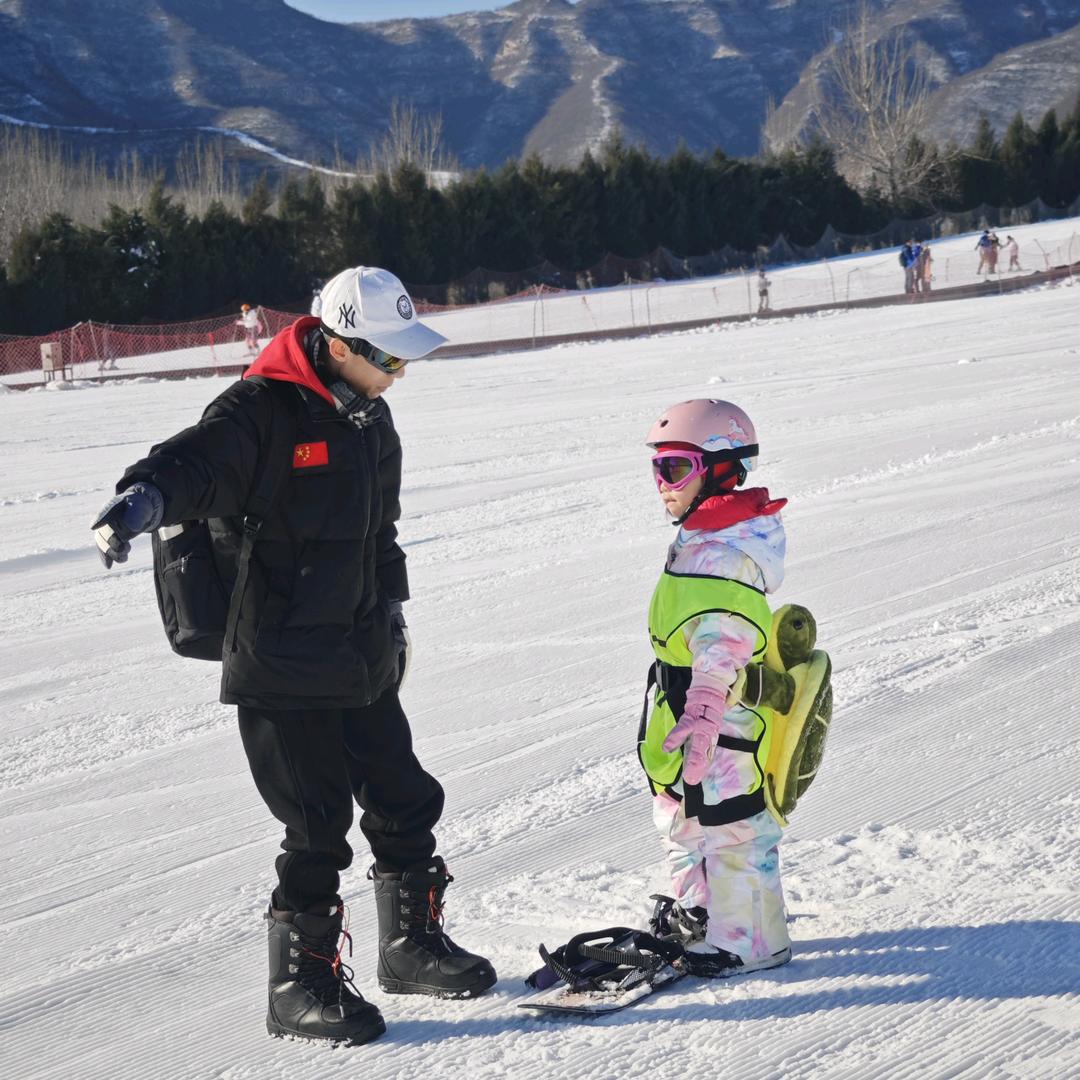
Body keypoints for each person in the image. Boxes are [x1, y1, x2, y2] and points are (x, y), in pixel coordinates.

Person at [89, 266, 494, 1047]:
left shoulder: (371, 419)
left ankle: (411, 947)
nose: (399, 375)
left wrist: (396, 613)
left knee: (405, 796)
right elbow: (193, 463)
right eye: (391, 358)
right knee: (316, 826)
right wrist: (139, 498)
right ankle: (297, 986)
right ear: (340, 344)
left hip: (360, 643)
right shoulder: (259, 411)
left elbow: (381, 534)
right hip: (281, 656)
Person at [639, 400, 792, 978]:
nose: (662, 484)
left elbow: (725, 636)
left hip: (719, 714)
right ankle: (699, 914)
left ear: (722, 468)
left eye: (675, 468)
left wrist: (704, 707)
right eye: (657, 469)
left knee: (731, 823)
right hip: (679, 707)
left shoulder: (727, 551)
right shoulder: (707, 533)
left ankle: (750, 938)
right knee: (679, 813)